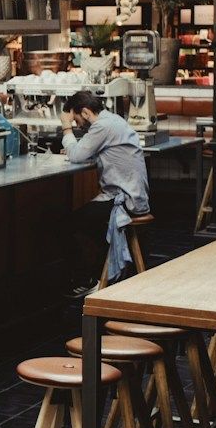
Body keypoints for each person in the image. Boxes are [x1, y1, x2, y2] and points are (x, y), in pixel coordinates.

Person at [61, 89, 150, 295]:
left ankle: (88, 279)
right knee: (90, 224)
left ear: (84, 112)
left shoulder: (102, 126)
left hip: (124, 201)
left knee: (67, 225)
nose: (76, 124)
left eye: (75, 119)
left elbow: (76, 155)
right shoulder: (113, 120)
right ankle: (105, 273)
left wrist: (66, 130)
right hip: (134, 196)